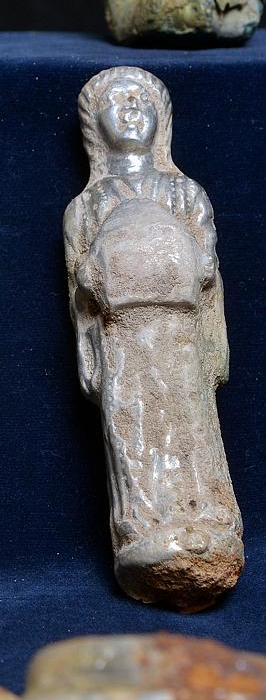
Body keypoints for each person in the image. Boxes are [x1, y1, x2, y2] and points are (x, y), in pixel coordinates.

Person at [64, 66, 243, 610]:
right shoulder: (86, 207)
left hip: (179, 331)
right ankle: (142, 526)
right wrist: (90, 348)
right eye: (117, 103)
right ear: (96, 125)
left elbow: (207, 269)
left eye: (142, 101)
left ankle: (208, 522)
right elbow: (82, 287)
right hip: (123, 335)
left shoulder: (186, 193)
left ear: (162, 119)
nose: (132, 110)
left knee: (190, 421)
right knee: (133, 422)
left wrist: (211, 343)